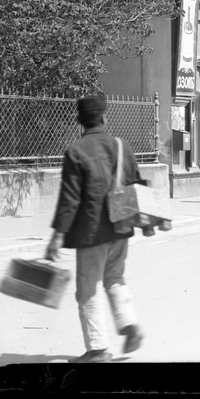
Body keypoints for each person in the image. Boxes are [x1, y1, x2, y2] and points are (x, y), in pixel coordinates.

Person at [44, 95, 145, 364]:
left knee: (87, 290)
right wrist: (145, 221)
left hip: (91, 233)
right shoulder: (121, 146)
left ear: (80, 122)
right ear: (104, 118)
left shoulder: (76, 151)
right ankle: (129, 323)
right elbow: (137, 183)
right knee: (114, 278)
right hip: (121, 226)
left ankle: (98, 349)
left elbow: (70, 198)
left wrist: (57, 235)